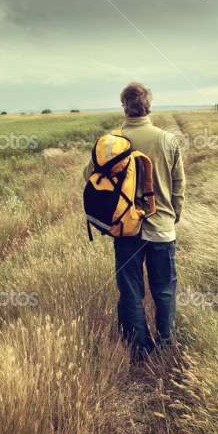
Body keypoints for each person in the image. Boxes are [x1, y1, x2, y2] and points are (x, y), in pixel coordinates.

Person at [83, 82, 185, 360]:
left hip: (125, 229)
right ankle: (166, 346)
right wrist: (171, 217)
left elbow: (89, 178)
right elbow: (179, 188)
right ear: (149, 106)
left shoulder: (112, 141)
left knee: (130, 291)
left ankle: (138, 350)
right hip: (162, 229)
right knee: (164, 289)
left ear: (124, 107)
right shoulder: (168, 140)